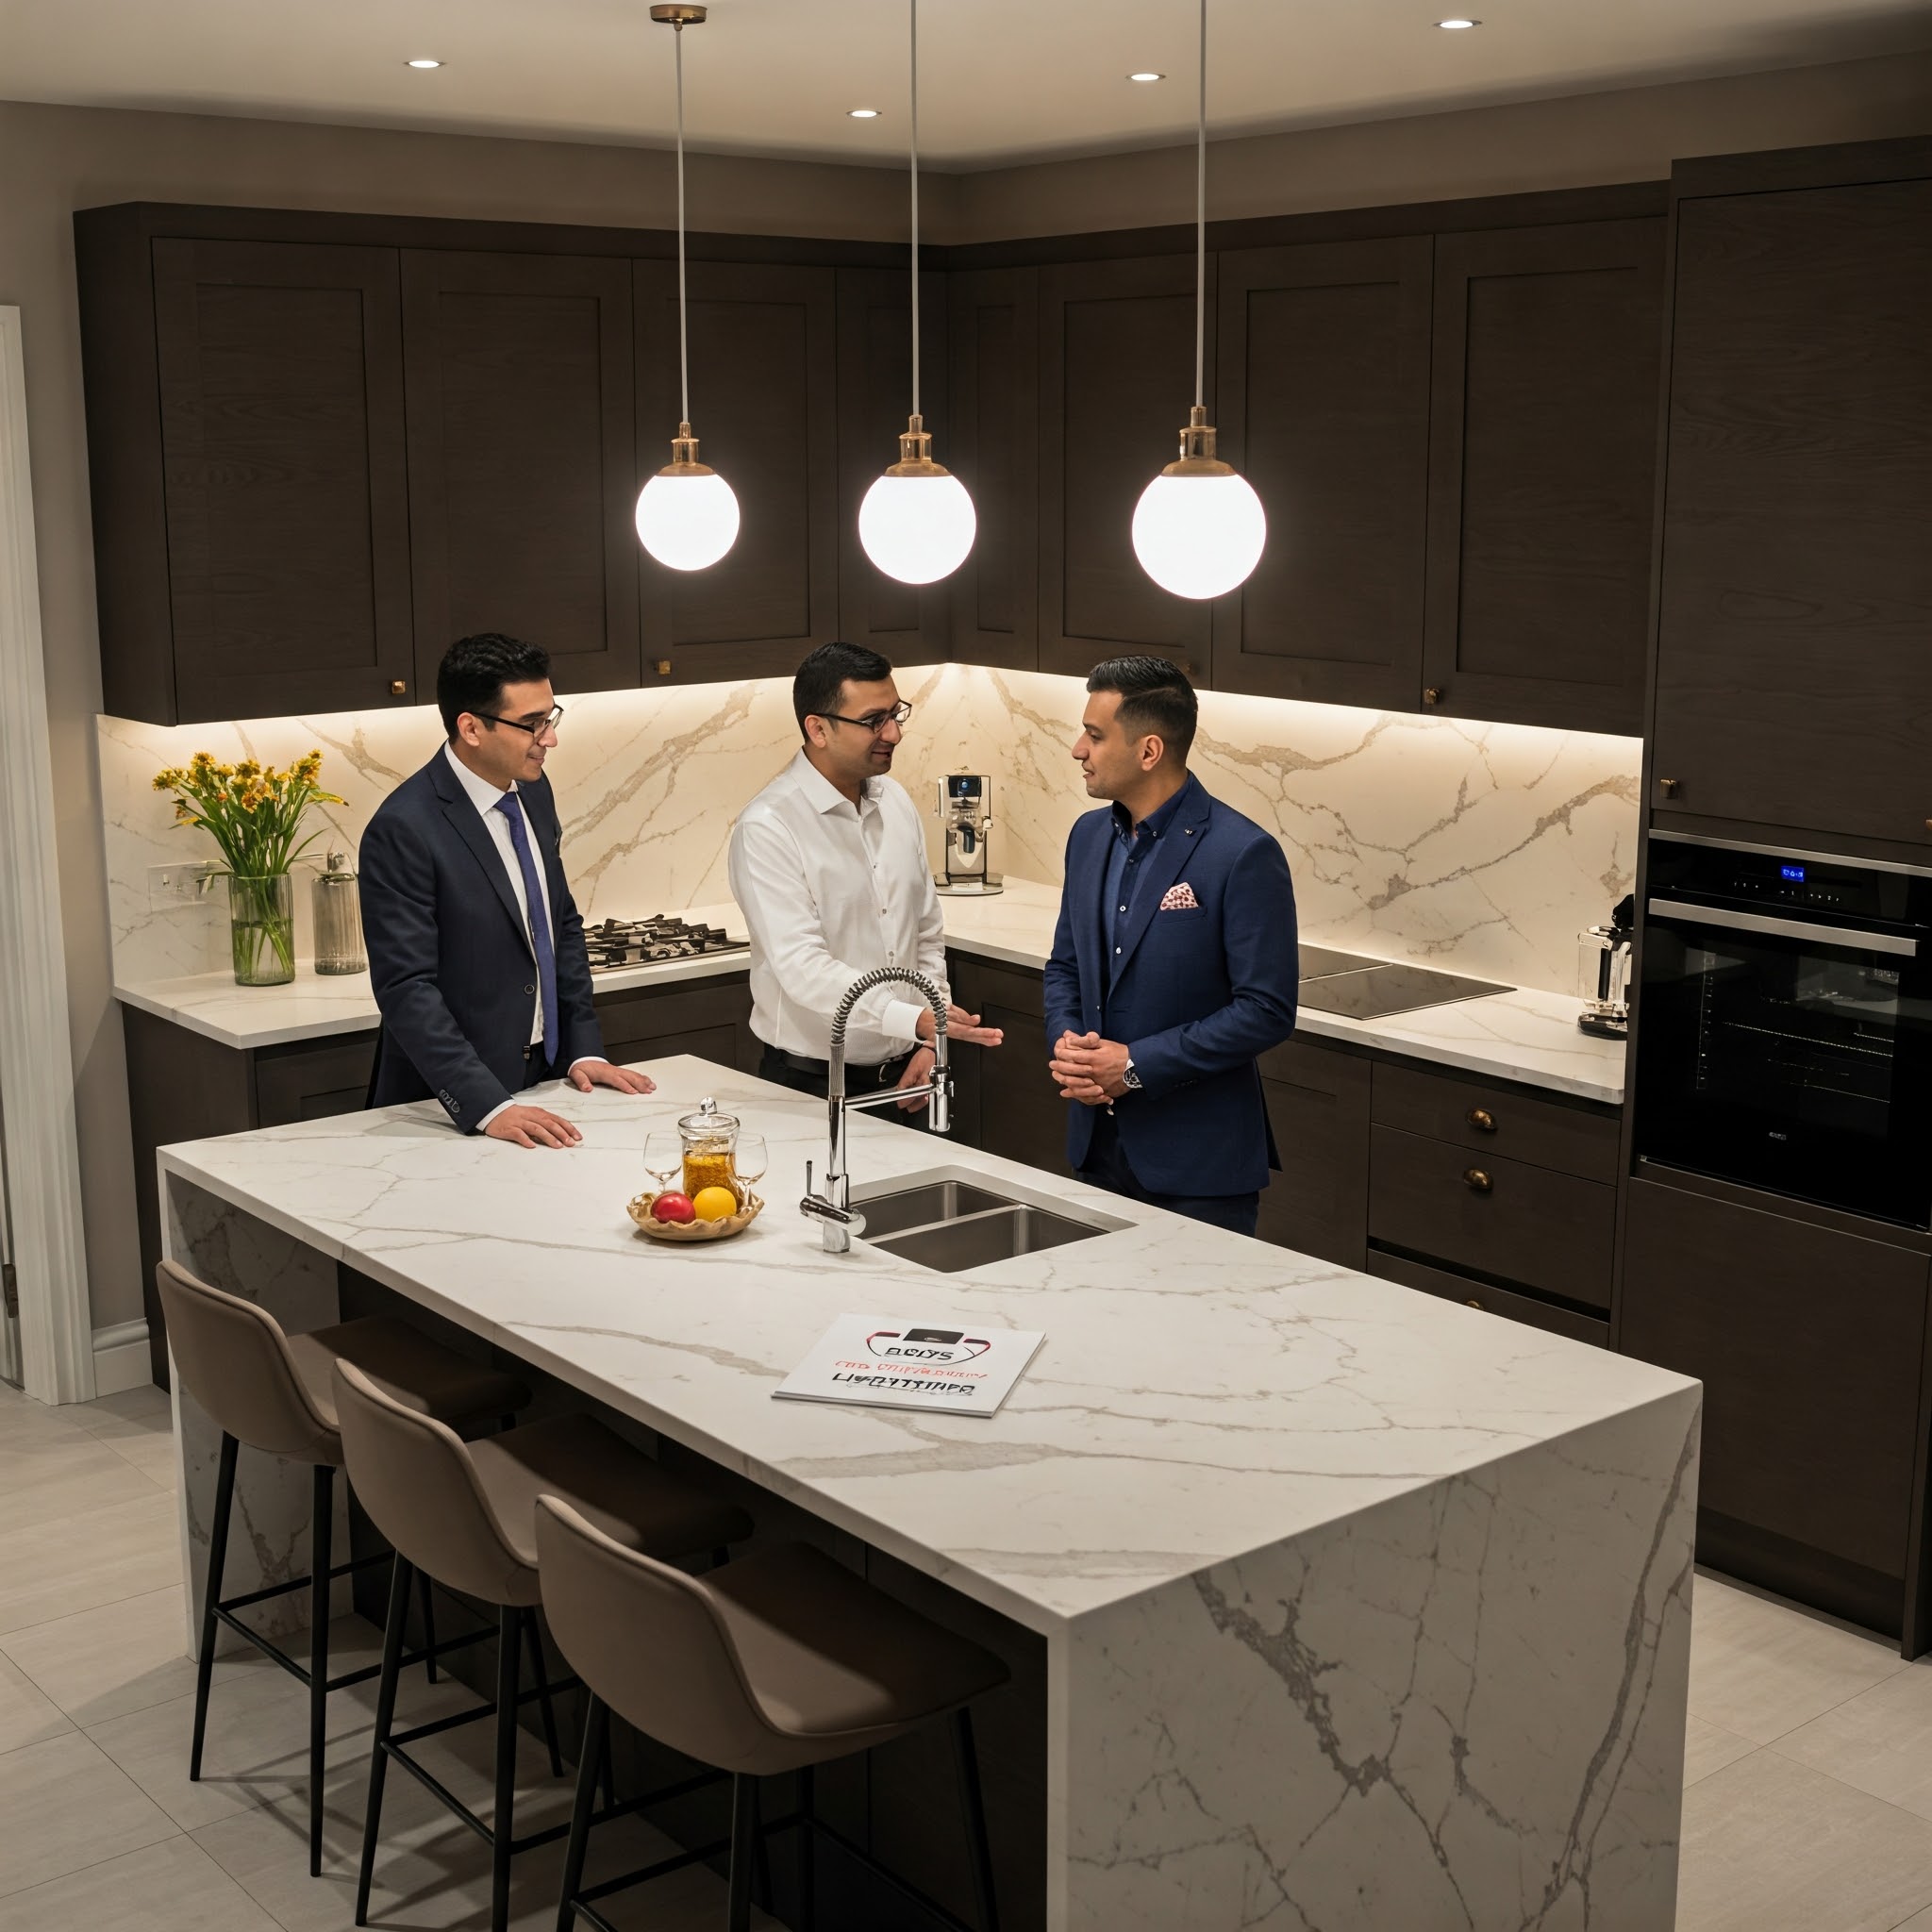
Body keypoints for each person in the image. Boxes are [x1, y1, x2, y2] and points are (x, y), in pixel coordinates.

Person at [359, 633, 653, 1148]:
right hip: (449, 1108)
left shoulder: (533, 792)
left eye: (550, 717)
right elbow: (407, 989)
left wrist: (583, 1049)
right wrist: (487, 1105)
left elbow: (559, 923)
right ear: (470, 727)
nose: (549, 738)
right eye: (531, 724)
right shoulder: (404, 827)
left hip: (546, 1083)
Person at [1043, 656, 1298, 1235]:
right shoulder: (1086, 837)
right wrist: (1069, 1047)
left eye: (1094, 734)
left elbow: (1266, 1010)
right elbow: (1065, 966)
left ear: (1149, 751)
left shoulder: (1241, 853)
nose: (1078, 749)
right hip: (1095, 1149)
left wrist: (1133, 1066)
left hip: (1199, 1168)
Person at [727, 641, 1002, 1108]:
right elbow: (803, 969)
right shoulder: (767, 827)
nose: (893, 733)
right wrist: (911, 1019)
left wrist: (930, 1039)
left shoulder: (894, 801)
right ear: (818, 728)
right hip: (809, 1084)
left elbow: (925, 933)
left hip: (907, 1076)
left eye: (896, 714)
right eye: (874, 720)